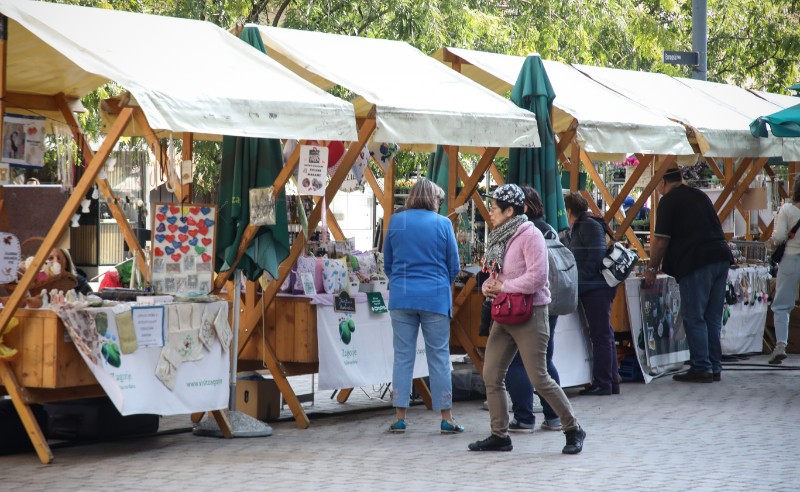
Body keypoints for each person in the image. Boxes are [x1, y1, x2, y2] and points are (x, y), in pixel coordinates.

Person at [469, 184, 585, 454]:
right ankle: (500, 434)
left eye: (495, 207)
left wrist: (503, 287)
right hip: (505, 313)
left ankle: (573, 428)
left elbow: (537, 278)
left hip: (531, 313)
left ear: (510, 211)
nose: (491, 212)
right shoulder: (501, 236)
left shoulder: (530, 234)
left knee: (539, 377)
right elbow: (499, 275)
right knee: (491, 375)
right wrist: (489, 285)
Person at [383, 178, 463, 434]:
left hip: (402, 296)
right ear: (433, 200)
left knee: (403, 356)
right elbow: (454, 266)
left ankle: (399, 416)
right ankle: (446, 418)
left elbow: (388, 263)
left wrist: (399, 282)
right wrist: (440, 283)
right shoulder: (443, 224)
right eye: (439, 201)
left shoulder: (397, 222)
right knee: (438, 356)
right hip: (435, 297)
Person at [642, 168, 733, 382]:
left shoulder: (669, 201)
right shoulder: (699, 195)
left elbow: (661, 240)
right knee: (712, 317)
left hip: (697, 261)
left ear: (663, 182)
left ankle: (701, 367)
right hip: (720, 257)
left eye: (657, 185)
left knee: (695, 316)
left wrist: (652, 268)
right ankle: (713, 366)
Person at [503, 185, 564, 432]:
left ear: (522, 207)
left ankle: (524, 417)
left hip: (526, 304)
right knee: (544, 362)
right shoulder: (549, 230)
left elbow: (529, 275)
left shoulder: (524, 232)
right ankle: (554, 416)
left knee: (517, 363)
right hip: (551, 301)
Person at [563, 192, 620, 396]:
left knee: (601, 335)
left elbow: (595, 256)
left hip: (596, 287)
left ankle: (604, 382)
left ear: (569, 211)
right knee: (604, 334)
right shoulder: (586, 224)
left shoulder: (587, 225)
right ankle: (610, 381)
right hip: (595, 286)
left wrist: (578, 280)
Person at [766, 180, 800, 364]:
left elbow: (779, 237)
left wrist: (772, 242)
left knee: (782, 305)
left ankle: (780, 345)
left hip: (791, 259)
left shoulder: (787, 209)